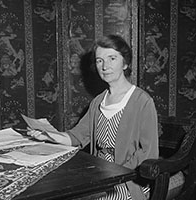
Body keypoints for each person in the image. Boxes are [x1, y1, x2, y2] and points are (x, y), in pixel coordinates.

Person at [29, 34, 159, 200]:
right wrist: (49, 136)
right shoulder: (98, 101)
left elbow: (148, 153)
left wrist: (116, 173)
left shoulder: (142, 101)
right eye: (99, 60)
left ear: (125, 63)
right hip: (98, 176)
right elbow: (77, 136)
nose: (105, 66)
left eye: (112, 58)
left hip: (127, 180)